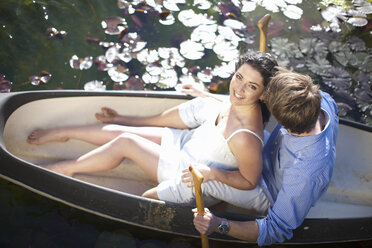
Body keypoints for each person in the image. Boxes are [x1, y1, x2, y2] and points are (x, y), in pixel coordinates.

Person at [27, 51, 278, 210]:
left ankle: (66, 169)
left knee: (126, 141)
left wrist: (210, 173)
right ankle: (63, 131)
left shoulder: (246, 136)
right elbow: (225, 100)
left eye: (251, 86)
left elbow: (249, 181)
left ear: (263, 93)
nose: (239, 89)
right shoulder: (236, 100)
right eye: (238, 77)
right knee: (118, 129)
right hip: (188, 144)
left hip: (190, 174)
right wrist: (202, 94)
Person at [192, 67, 338, 245]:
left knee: (196, 181)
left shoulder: (303, 176)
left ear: (284, 123)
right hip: (271, 155)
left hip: (269, 190)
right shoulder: (319, 98)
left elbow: (275, 230)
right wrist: (205, 94)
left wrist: (218, 225)